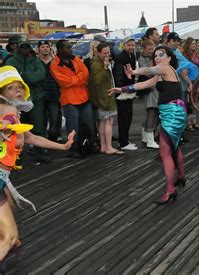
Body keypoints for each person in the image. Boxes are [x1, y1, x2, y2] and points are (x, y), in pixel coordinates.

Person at [0, 66, 75, 273]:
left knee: (12, 206)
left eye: (20, 88)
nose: (18, 92)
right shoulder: (9, 112)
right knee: (11, 237)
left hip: (3, 177)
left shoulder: (11, 112)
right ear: (2, 93)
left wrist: (63, 146)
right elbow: (6, 122)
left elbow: (30, 137)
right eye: (12, 88)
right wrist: (4, 128)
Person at [108, 46, 187, 204]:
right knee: (174, 147)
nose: (157, 57)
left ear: (169, 58)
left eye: (161, 55)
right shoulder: (161, 75)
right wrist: (121, 89)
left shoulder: (165, 68)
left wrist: (134, 72)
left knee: (165, 152)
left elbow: (147, 70)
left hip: (172, 113)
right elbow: (141, 86)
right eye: (155, 55)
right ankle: (181, 176)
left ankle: (171, 190)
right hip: (172, 112)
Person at [50, 39, 94, 159]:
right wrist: (79, 78)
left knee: (88, 124)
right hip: (69, 99)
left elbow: (86, 75)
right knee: (73, 127)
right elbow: (64, 83)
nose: (71, 49)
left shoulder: (76, 59)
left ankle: (89, 145)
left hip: (84, 96)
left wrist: (75, 79)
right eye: (67, 47)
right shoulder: (54, 65)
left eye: (70, 47)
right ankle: (73, 148)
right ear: (60, 50)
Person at [89, 43, 122, 155]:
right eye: (104, 53)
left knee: (103, 122)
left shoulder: (98, 62)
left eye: (108, 52)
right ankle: (109, 147)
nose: (107, 55)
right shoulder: (97, 64)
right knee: (108, 122)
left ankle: (103, 146)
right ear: (98, 52)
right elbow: (97, 81)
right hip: (104, 97)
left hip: (104, 96)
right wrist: (105, 67)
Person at [137, 39, 160, 149]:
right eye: (149, 49)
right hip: (150, 89)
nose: (152, 51)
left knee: (154, 112)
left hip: (156, 88)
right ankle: (150, 139)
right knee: (152, 111)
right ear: (143, 49)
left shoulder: (153, 58)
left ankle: (145, 136)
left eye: (153, 48)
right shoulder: (142, 59)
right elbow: (149, 73)